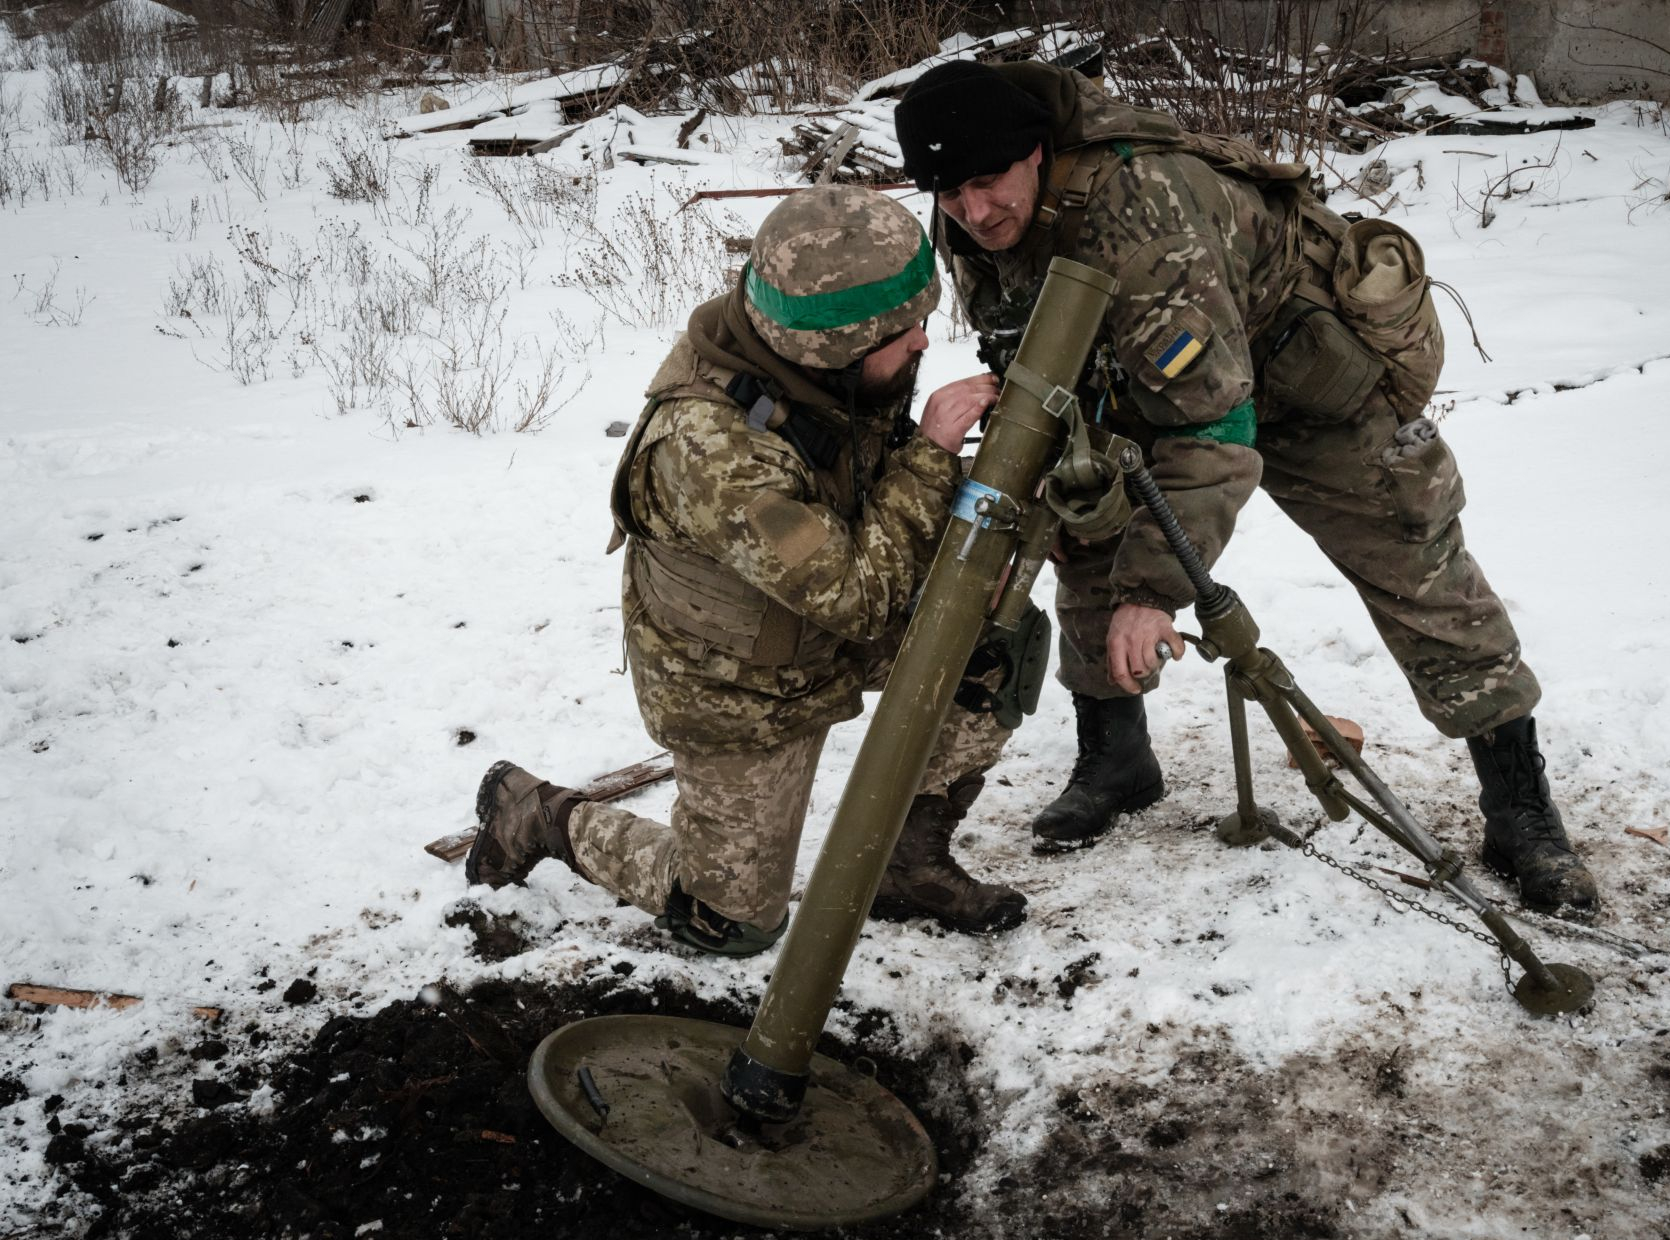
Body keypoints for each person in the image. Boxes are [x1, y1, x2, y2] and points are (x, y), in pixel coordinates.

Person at [891, 59, 1597, 912]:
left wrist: (1156, 591)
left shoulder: (1140, 207)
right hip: (1139, 373)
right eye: (948, 192)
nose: (972, 211)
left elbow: (1211, 427)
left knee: (1416, 560)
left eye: (985, 182)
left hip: (1304, 385)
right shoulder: (972, 220)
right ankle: (1115, 758)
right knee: (1084, 517)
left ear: (1035, 152)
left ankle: (1520, 806)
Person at [464, 185, 1029, 954]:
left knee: (998, 638)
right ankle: (537, 813)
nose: (925, 344)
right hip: (740, 688)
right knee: (730, 922)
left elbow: (862, 494)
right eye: (903, 333)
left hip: (824, 609)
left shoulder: (811, 349)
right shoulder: (710, 450)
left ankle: (906, 862)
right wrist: (932, 454)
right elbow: (858, 597)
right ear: (835, 350)